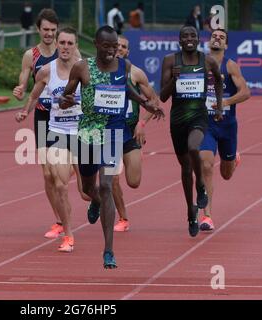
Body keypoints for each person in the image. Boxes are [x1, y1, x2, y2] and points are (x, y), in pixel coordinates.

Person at [60, 25, 164, 268]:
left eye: (114, 47)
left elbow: (125, 88)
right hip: (87, 132)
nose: (111, 51)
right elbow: (67, 95)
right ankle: (94, 201)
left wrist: (145, 103)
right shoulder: (82, 67)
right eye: (106, 46)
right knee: (88, 187)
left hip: (113, 132)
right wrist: (64, 102)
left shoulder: (123, 66)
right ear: (96, 44)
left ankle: (108, 250)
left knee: (107, 185)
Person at [15, 27, 87, 252]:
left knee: (86, 192)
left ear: (76, 46)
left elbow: (95, 98)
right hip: (57, 131)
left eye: (69, 43)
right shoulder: (47, 71)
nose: (65, 47)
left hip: (82, 133)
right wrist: (25, 111)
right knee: (60, 184)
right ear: (57, 45)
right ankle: (68, 235)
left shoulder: (86, 70)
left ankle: (93, 199)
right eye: (62, 43)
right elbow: (35, 94)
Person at [160, 25, 223, 238]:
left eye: (193, 36)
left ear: (198, 39)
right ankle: (190, 212)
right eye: (185, 36)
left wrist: (220, 106)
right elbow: (162, 96)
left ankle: (202, 188)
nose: (189, 39)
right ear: (179, 40)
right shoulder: (170, 61)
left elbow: (219, 80)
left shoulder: (208, 61)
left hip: (198, 116)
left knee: (194, 146)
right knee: (186, 169)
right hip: (177, 121)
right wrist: (173, 80)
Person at [199, 29, 251, 231]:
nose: (217, 38)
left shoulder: (230, 65)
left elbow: (245, 92)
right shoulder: (199, 64)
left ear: (226, 45)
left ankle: (233, 158)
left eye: (222, 37)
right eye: (214, 36)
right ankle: (207, 216)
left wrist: (225, 102)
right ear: (209, 41)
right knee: (206, 164)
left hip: (227, 125)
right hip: (206, 124)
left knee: (226, 174)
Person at [112, 35, 159, 232]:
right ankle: (123, 218)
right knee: (111, 178)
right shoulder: (99, 73)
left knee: (134, 182)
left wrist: (141, 123)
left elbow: (154, 102)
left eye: (123, 47)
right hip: (110, 132)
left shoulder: (136, 73)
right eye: (116, 46)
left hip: (131, 133)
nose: (119, 49)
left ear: (128, 52)